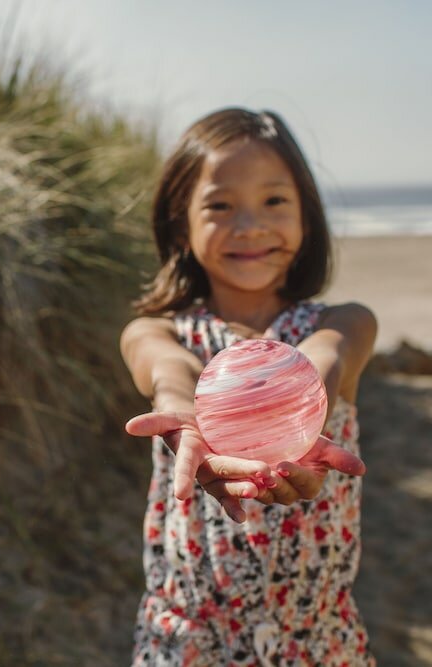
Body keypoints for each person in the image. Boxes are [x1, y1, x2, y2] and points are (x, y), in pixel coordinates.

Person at [120, 107, 378, 665]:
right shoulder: (159, 330)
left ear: (307, 216)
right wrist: (182, 411)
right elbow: (168, 370)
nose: (250, 225)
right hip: (187, 641)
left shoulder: (344, 322)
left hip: (318, 639)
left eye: (274, 201)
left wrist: (301, 395)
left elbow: (326, 358)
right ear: (179, 223)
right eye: (219, 205)